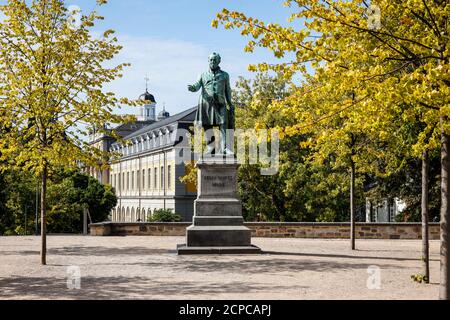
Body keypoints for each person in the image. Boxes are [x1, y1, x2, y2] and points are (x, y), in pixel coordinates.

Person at [188, 53, 234, 155]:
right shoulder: (202, 75)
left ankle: (225, 148)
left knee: (223, 124)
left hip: (220, 103)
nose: (212, 62)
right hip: (206, 103)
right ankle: (211, 147)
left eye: (215, 60)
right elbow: (197, 85)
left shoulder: (225, 75)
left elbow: (228, 90)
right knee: (207, 125)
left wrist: (230, 103)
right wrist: (193, 88)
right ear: (208, 61)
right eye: (211, 60)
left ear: (218, 61)